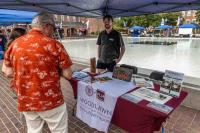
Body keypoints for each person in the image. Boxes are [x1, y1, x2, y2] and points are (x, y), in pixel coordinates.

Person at [2, 12, 72, 133]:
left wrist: (26, 75)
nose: (52, 32)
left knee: (33, 130)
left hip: (26, 99)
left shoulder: (14, 44)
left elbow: (7, 72)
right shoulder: (54, 44)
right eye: (53, 28)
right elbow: (68, 74)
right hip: (51, 101)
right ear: (47, 26)